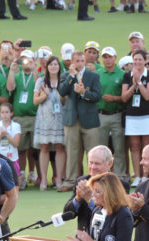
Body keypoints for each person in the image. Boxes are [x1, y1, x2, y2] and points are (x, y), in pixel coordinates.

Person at [68, 172, 137, 241]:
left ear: (109, 193)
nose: (93, 195)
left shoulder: (123, 215)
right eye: (93, 191)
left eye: (97, 191)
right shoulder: (96, 211)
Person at [59, 50, 101, 191]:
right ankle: (70, 181)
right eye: (77, 61)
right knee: (71, 151)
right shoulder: (66, 75)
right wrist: (71, 76)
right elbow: (62, 92)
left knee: (93, 152)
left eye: (82, 61)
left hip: (89, 119)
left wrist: (84, 93)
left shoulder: (93, 76)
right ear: (72, 62)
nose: (80, 64)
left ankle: (94, 181)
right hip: (71, 119)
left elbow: (97, 96)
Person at [63, 145, 130, 231]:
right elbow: (66, 215)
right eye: (90, 163)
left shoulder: (119, 184)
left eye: (97, 163)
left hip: (105, 240)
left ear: (109, 163)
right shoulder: (82, 181)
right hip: (82, 239)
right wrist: (78, 198)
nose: (93, 167)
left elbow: (112, 215)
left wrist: (89, 199)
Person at [121, 50, 149, 187]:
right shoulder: (127, 76)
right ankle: (138, 175)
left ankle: (146, 176)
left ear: (145, 61)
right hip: (132, 116)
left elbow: (147, 95)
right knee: (134, 146)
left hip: (147, 115)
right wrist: (133, 85)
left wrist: (139, 81)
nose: (137, 62)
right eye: (135, 59)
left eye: (140, 59)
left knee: (146, 146)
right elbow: (124, 97)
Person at [6, 50, 38, 189]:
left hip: (35, 116)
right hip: (19, 117)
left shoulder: (37, 74)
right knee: (21, 149)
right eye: (24, 59)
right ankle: (21, 175)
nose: (26, 62)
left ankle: (33, 173)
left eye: (29, 60)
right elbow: (10, 87)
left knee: (34, 148)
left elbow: (39, 84)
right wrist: (12, 71)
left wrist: (34, 68)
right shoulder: (18, 76)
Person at [33, 56, 66, 191]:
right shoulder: (41, 81)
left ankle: (58, 178)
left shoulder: (63, 80)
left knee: (59, 148)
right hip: (45, 119)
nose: (53, 67)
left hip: (59, 119)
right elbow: (35, 101)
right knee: (44, 148)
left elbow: (65, 101)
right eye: (51, 64)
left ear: (59, 67)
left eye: (55, 64)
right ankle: (44, 180)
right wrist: (45, 95)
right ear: (46, 67)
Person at [97, 47, 127, 181]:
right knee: (101, 149)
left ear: (115, 58)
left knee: (119, 147)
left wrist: (114, 98)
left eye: (110, 57)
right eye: (105, 57)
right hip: (101, 114)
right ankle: (101, 175)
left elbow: (125, 97)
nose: (107, 60)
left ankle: (120, 175)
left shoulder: (122, 74)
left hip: (116, 114)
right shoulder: (98, 74)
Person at [0, 103, 21, 176]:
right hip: (0, 157)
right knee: (0, 177)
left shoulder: (16, 126)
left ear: (11, 113)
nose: (5, 115)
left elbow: (16, 144)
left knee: (14, 179)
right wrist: (0, 136)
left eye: (7, 112)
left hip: (13, 157)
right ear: (0, 113)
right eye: (2, 112)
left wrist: (7, 135)